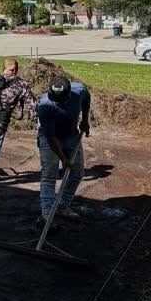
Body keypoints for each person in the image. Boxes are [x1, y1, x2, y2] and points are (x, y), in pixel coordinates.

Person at [35, 75, 91, 225]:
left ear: (69, 93)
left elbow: (86, 98)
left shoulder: (79, 90)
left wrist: (85, 120)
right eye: (55, 99)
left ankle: (62, 206)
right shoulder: (44, 105)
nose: (57, 102)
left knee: (77, 172)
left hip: (71, 134)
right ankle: (47, 214)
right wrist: (63, 159)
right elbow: (51, 137)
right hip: (49, 137)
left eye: (61, 100)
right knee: (49, 173)